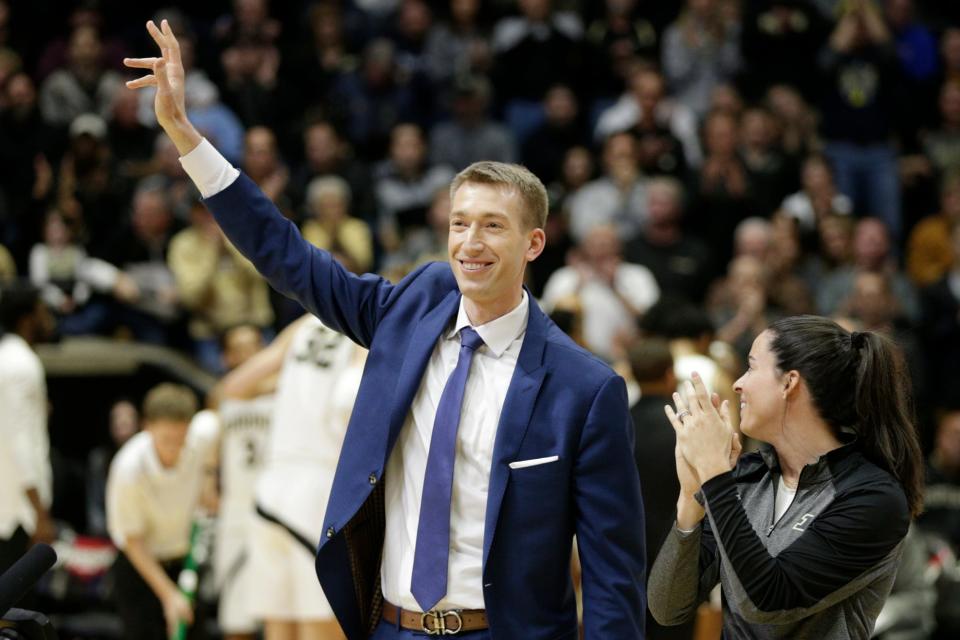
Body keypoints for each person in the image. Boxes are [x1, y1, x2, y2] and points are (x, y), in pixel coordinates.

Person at [125, 19, 645, 639]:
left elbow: (614, 579)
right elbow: (288, 255)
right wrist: (186, 137)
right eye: (459, 224)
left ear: (534, 242)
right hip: (391, 627)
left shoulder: (585, 388)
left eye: (492, 227)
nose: (469, 243)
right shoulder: (411, 310)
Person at [649, 315, 925, 638]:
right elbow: (667, 608)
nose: (738, 383)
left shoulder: (873, 497)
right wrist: (690, 499)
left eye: (751, 367)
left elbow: (767, 603)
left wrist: (714, 475)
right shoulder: (749, 477)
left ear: (789, 383)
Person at [220, 314, 366, 640]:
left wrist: (286, 384)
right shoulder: (367, 325)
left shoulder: (304, 324)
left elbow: (232, 387)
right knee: (323, 625)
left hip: (270, 490)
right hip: (318, 489)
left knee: (279, 626)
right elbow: (348, 401)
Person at [106, 383, 219, 640]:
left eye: (181, 439)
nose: (175, 449)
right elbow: (132, 541)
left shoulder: (201, 435)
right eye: (167, 440)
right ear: (147, 427)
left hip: (184, 563)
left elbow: (216, 419)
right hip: (141, 569)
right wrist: (169, 596)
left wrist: (210, 479)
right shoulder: (129, 469)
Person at [0, 284, 55, 574]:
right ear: (27, 320)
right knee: (13, 612)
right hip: (15, 514)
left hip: (9, 508)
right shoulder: (21, 364)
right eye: (43, 312)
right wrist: (40, 513)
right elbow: (18, 441)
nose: (49, 319)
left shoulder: (7, 358)